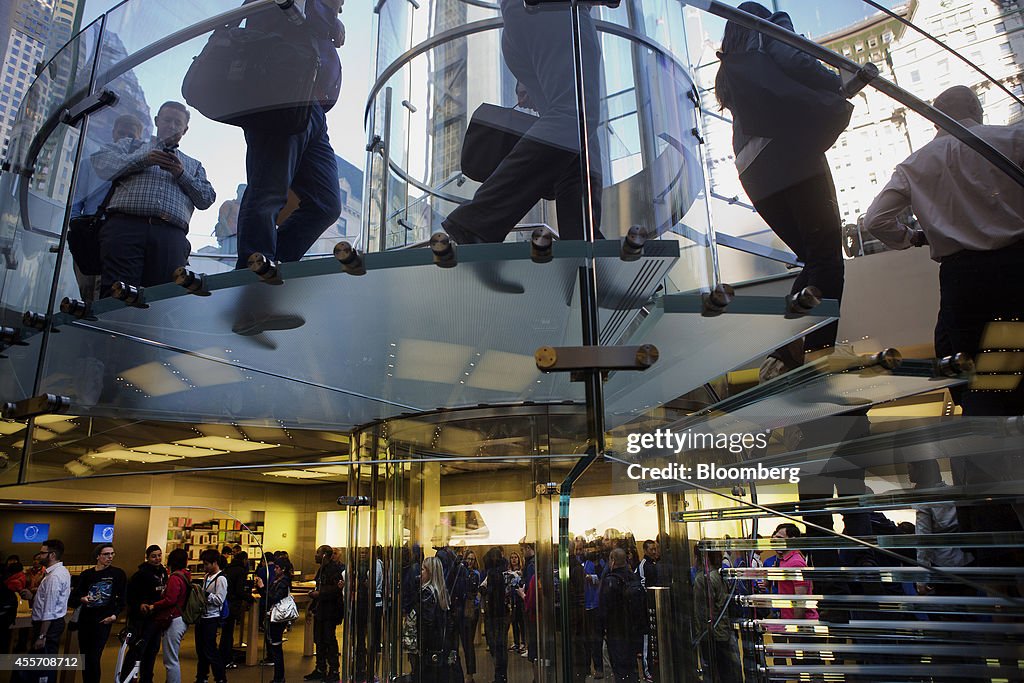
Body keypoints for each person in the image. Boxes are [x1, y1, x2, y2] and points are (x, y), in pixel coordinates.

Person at [864, 84, 1024, 560]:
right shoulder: (1011, 138)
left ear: (935, 119)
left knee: (980, 387)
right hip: (1016, 269)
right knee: (1008, 377)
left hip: (962, 284)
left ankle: (998, 515)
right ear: (977, 109)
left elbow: (876, 220)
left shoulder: (917, 163)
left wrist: (914, 235)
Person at [715, 1, 846, 375]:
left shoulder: (732, 65)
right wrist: (836, 82)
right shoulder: (770, 27)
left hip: (751, 168)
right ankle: (817, 358)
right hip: (789, 151)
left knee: (813, 258)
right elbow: (799, 61)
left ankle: (789, 346)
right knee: (827, 260)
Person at [441, 0, 603, 244]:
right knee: (576, 114)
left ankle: (582, 239)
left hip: (531, 16)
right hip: (555, 10)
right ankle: (477, 220)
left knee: (575, 142)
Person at [233, 0, 345, 271]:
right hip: (282, 98)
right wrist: (330, 18)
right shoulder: (312, 10)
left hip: (314, 109)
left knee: (326, 204)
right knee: (268, 189)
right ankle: (252, 269)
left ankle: (271, 262)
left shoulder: (323, 13)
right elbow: (278, 14)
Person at [90, 100, 216, 297]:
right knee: (117, 294)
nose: (172, 126)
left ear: (185, 130)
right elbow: (101, 164)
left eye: (177, 122)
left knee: (162, 298)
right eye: (167, 120)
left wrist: (181, 173)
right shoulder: (131, 146)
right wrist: (144, 159)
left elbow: (207, 199)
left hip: (171, 237)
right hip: (125, 229)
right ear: (157, 121)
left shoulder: (194, 165)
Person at [69, 113, 145, 301]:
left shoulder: (142, 169)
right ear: (113, 134)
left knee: (114, 289)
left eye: (131, 135)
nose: (125, 137)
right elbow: (75, 200)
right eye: (122, 133)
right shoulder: (89, 164)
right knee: (88, 287)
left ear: (139, 138)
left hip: (124, 233)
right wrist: (78, 230)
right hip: (93, 230)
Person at [71, 543, 127, 683]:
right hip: (86, 621)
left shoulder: (118, 574)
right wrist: (82, 599)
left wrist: (114, 615)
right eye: (106, 554)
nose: (110, 557)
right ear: (97, 556)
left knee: (94, 656)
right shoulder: (87, 575)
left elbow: (122, 598)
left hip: (103, 621)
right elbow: (74, 597)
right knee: (86, 657)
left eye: (112, 554)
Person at [19, 539, 71, 683]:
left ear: (52, 555)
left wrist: (42, 635)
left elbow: (50, 608)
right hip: (51, 624)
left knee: (43, 666)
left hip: (48, 626)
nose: (39, 556)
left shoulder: (54, 577)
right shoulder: (59, 572)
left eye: (43, 553)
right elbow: (48, 600)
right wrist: (34, 596)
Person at [693, 549, 742, 683]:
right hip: (725, 631)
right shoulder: (721, 575)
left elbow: (701, 612)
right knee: (729, 671)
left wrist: (700, 635)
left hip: (711, 634)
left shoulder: (703, 578)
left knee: (715, 673)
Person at [599, 548, 646, 683]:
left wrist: (602, 630)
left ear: (612, 561)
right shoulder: (633, 577)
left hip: (616, 631)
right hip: (633, 631)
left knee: (618, 669)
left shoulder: (610, 581)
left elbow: (604, 609)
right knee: (631, 667)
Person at [143, 548, 190, 683]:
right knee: (172, 657)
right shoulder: (185, 574)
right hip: (181, 618)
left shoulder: (175, 577)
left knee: (170, 660)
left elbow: (170, 599)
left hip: (174, 619)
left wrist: (154, 605)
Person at [126, 545, 168, 683]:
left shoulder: (163, 572)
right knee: (137, 650)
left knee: (152, 651)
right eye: (154, 556)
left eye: (159, 555)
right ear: (147, 557)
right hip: (141, 620)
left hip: (156, 618)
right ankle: (127, 677)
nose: (157, 558)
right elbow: (130, 596)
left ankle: (147, 679)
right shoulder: (140, 575)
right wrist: (139, 605)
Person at [305, 545, 344, 683]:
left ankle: (334, 670)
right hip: (321, 610)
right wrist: (311, 607)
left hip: (330, 611)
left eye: (317, 553)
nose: (315, 555)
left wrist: (320, 594)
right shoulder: (322, 570)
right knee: (319, 640)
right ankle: (320, 669)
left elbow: (337, 589)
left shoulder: (334, 569)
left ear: (323, 555)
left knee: (329, 640)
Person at [418, 556, 457, 683]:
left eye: (423, 569)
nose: (420, 572)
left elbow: (427, 624)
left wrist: (421, 647)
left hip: (431, 647)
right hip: (442, 644)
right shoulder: (441, 592)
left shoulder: (427, 593)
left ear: (430, 572)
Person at [193, 548, 229, 683]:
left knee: (210, 650)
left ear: (215, 563)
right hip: (201, 617)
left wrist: (206, 595)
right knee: (201, 650)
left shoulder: (221, 579)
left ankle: (220, 677)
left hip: (211, 618)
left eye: (207, 564)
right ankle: (201, 677)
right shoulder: (207, 576)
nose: (205, 567)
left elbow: (220, 599)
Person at [771, 524, 818, 622]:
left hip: (800, 622)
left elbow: (800, 599)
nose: (775, 540)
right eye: (775, 536)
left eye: (780, 537)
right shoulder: (785, 560)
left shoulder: (795, 562)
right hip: (789, 619)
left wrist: (797, 627)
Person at [259, 555, 293, 683]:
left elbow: (274, 598)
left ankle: (279, 677)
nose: (274, 570)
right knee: (275, 647)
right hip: (273, 616)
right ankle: (278, 677)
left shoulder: (283, 582)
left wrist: (262, 588)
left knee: (277, 648)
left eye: (277, 567)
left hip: (278, 619)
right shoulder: (278, 580)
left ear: (282, 569)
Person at [480, 547, 509, 683]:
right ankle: (501, 676)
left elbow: (491, 592)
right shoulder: (504, 572)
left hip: (494, 614)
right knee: (501, 647)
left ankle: (500, 677)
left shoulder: (493, 573)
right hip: (501, 614)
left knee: (496, 647)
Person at [220, 551, 251, 670]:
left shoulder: (228, 569)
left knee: (226, 633)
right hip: (232, 605)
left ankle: (224, 656)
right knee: (228, 633)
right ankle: (227, 659)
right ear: (244, 560)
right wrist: (249, 598)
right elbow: (239, 590)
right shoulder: (241, 571)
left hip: (225, 604)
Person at [636, 540, 659, 681]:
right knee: (646, 642)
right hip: (646, 608)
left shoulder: (654, 565)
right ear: (645, 550)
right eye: (651, 549)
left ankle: (653, 668)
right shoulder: (644, 565)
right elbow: (643, 584)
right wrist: (649, 602)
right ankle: (647, 671)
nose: (654, 552)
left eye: (655, 549)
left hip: (654, 606)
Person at [581, 542, 605, 679]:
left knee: (596, 639)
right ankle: (586, 667)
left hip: (595, 604)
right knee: (586, 639)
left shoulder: (600, 562)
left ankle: (598, 667)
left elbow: (602, 578)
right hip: (585, 604)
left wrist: (593, 578)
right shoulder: (583, 563)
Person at [460, 550, 482, 683]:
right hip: (462, 609)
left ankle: (470, 674)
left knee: (468, 643)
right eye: (468, 559)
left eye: (472, 559)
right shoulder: (461, 572)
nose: (470, 561)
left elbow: (477, 591)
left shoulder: (475, 574)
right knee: (465, 643)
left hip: (470, 609)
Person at [506, 552, 526, 655]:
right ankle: (516, 641)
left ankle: (523, 642)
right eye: (512, 558)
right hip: (512, 599)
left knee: (521, 622)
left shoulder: (522, 571)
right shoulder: (508, 573)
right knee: (514, 622)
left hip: (520, 599)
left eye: (515, 558)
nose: (514, 560)